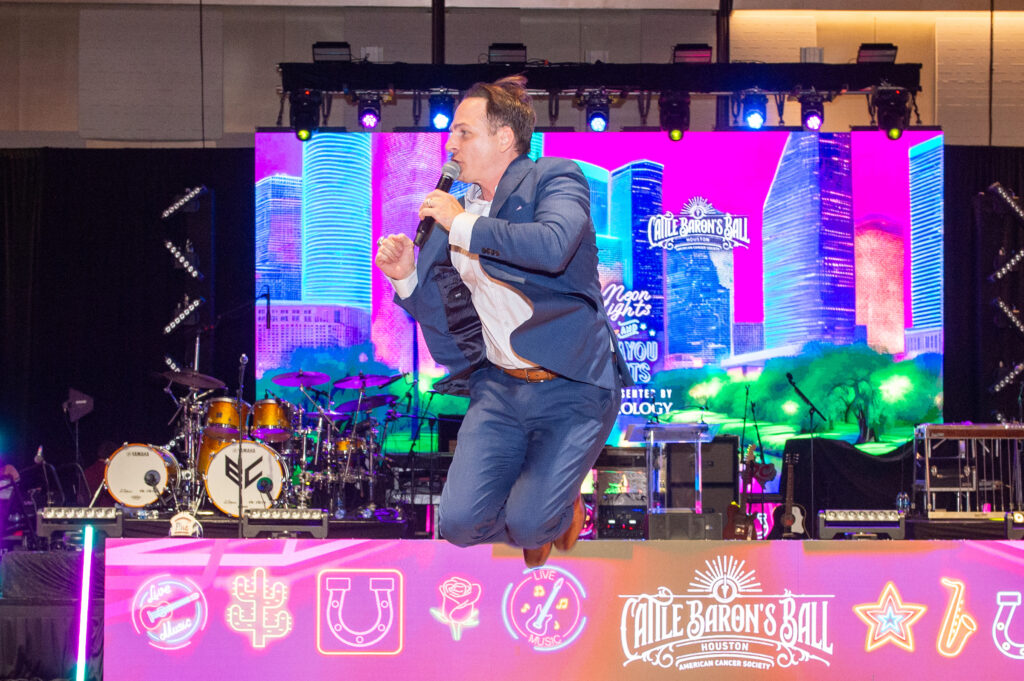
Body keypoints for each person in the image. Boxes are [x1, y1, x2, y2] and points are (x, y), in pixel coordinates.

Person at [375, 76, 630, 567]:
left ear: (505, 138)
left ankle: (551, 509)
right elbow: (450, 318)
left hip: (573, 384)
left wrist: (462, 224)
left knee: (531, 524)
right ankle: (542, 506)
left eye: (464, 133)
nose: (451, 145)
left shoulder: (554, 178)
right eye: (452, 134)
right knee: (457, 524)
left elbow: (553, 246)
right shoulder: (457, 214)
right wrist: (407, 277)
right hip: (500, 387)